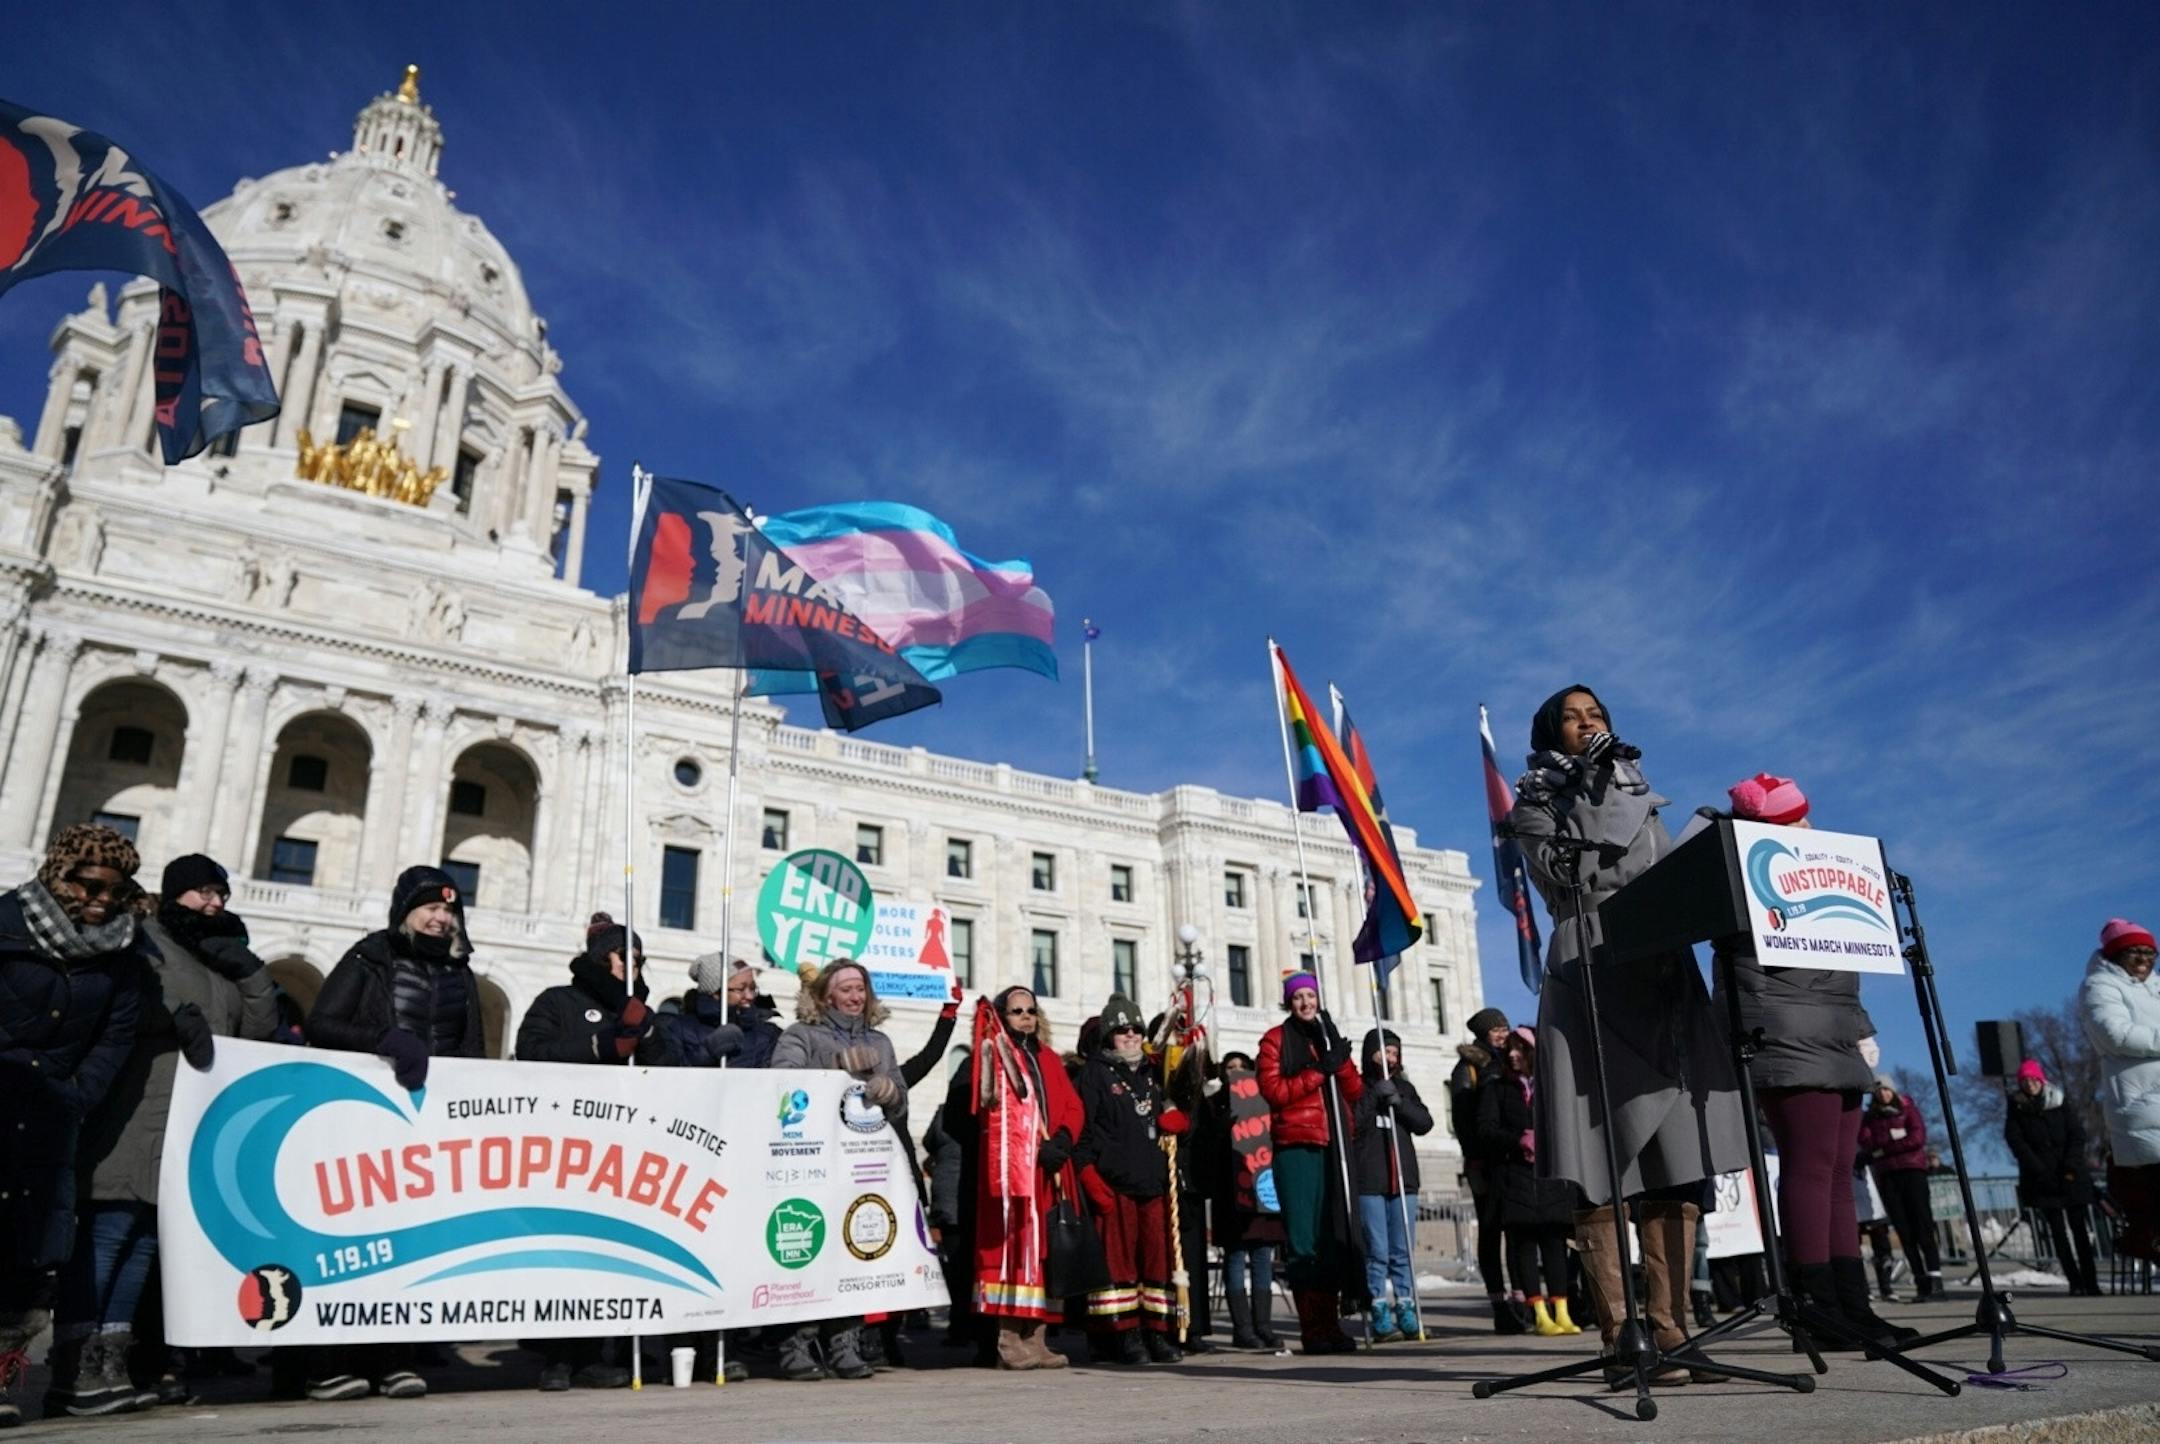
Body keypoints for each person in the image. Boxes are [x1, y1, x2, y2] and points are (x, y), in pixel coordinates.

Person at [1506, 686, 1749, 1384]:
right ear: (1551, 734)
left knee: (1677, 1156)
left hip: (1660, 971)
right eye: (1573, 718)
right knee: (1599, 1158)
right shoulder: (1536, 802)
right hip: (1591, 968)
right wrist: (1594, 785)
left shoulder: (1639, 790)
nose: (1589, 724)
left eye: (1597, 715)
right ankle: (1621, 1336)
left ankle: (1672, 1328)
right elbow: (1574, 869)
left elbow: (1662, 872)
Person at [53, 854, 277, 1416]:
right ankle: (73, 1369)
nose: (215, 903)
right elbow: (116, 999)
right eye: (204, 892)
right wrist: (171, 1014)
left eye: (221, 894)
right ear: (175, 893)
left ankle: (111, 1364)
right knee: (108, 1233)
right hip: (133, 1110)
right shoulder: (142, 938)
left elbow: (257, 1033)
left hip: (188, 1122)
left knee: (145, 1244)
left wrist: (252, 975)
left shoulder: (218, 958)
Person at [1694, 774, 1911, 1347]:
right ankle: (1817, 1304)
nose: (1809, 826)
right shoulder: (1744, 872)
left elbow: (1841, 965)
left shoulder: (1820, 872)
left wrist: (1861, 1026)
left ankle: (1852, 1305)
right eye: (1795, 819)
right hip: (1788, 1033)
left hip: (1835, 1031)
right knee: (1811, 1167)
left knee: (1838, 1172)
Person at [302, 865, 486, 1401]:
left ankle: (393, 1358)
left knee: (412, 1241)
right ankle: (326, 1363)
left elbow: (472, 1050)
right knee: (353, 1240)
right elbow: (322, 1023)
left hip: (428, 1125)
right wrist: (384, 1039)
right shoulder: (370, 957)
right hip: (363, 1121)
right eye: (430, 908)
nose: (441, 919)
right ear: (406, 911)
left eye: (449, 910)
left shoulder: (461, 973)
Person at [0, 825, 147, 1428]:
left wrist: (74, 1095)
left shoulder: (125, 954)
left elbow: (115, 1036)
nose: (103, 900)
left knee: (27, 1254)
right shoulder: (7, 924)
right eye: (90, 885)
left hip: (50, 1118)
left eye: (117, 891)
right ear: (59, 876)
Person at [512, 914, 662, 1389]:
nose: (633, 967)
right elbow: (530, 1053)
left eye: (639, 960)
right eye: (625, 958)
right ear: (602, 959)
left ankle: (596, 1352)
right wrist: (602, 1045)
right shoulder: (558, 1001)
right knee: (566, 1250)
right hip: (566, 1145)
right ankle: (558, 1356)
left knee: (609, 1250)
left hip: (623, 1150)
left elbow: (670, 1072)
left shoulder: (641, 1010)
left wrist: (648, 1037)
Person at [769, 959, 905, 1381]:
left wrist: (889, 1091)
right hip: (810, 1160)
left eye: (861, 989)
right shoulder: (801, 1034)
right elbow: (781, 1082)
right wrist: (834, 1070)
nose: (855, 996)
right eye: (846, 989)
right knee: (807, 1250)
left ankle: (844, 1341)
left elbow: (900, 1100)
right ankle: (796, 1342)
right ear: (826, 995)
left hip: (863, 1164)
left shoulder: (880, 1042)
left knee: (854, 1251)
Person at [951, 987, 1082, 1369]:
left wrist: (1063, 1138)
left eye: (1031, 1010)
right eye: (1016, 1011)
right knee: (1012, 1250)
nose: (1026, 1017)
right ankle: (1008, 1338)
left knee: (1043, 1254)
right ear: (1003, 1017)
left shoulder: (1049, 1058)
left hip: (1049, 1169)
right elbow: (986, 1108)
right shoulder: (995, 1057)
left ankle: (1037, 1337)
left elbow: (1072, 1105)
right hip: (1015, 1171)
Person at [1074, 993, 1185, 1364]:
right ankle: (1124, 1335)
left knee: (1155, 1262)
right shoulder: (1094, 1074)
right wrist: (1088, 1174)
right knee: (1118, 1265)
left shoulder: (1151, 1074)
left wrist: (1174, 1117)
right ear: (1110, 1036)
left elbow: (1167, 1108)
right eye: (1123, 1031)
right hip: (1114, 1184)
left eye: (1136, 1029)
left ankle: (1157, 1331)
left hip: (1151, 1183)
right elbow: (1082, 1132)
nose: (1131, 1035)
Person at [1256, 971, 1363, 1355]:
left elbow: (1354, 1090)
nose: (1305, 1003)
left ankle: (1331, 1324)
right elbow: (1274, 1091)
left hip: (1333, 1144)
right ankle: (1313, 1327)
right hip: (1297, 1145)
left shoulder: (1326, 1037)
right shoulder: (1275, 1040)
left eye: (1310, 996)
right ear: (1289, 1002)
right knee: (1304, 1241)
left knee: (1330, 1238)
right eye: (1298, 997)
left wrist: (1339, 1059)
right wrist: (1319, 1071)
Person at [1478, 1027, 1579, 1337]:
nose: (1512, 1054)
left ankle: (1562, 1310)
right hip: (1515, 1177)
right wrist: (1517, 1140)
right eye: (1509, 1049)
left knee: (1554, 1243)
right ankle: (1539, 1314)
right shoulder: (1497, 1089)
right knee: (1524, 1244)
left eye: (1519, 1048)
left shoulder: (1550, 1086)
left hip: (1549, 1175)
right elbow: (1485, 1130)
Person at [2079, 918, 2160, 1263]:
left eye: (2150, 953)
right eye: (2134, 953)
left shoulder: (2156, 987)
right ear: (2115, 956)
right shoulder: (2099, 986)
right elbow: (2114, 1034)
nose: (2143, 960)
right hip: (2142, 1107)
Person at [1352, 1027, 1432, 1343]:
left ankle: (1406, 1305)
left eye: (1395, 1052)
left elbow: (1424, 1123)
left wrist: (1400, 1103)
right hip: (1371, 1180)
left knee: (1402, 1251)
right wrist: (1374, 1096)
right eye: (1384, 1051)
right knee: (1378, 1251)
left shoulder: (1405, 1088)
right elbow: (1353, 1123)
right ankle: (1378, 1307)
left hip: (1403, 1179)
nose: (1390, 1057)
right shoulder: (1359, 1087)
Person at [1450, 1006, 1524, 1333]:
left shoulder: (1510, 1061)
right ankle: (1499, 1303)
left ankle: (1522, 1299)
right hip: (1484, 1161)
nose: (1502, 1034)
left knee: (1518, 1229)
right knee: (1491, 1231)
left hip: (1511, 1159)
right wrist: (1474, 1157)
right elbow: (1463, 1119)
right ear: (1483, 1034)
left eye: (1504, 1027)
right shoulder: (1469, 1067)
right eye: (1496, 1029)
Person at [1208, 1050, 1286, 1351]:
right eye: (1231, 1067)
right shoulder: (1214, 1104)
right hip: (1230, 1195)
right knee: (1236, 1258)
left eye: (1242, 1066)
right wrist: (1221, 1128)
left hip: (1260, 1191)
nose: (1237, 1071)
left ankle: (1263, 1325)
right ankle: (1242, 1328)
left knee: (1263, 1256)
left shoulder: (1263, 1101)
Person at [2002, 1058, 2100, 1295]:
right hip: (2041, 1178)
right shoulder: (2016, 1106)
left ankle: (2091, 1282)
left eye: (2033, 1080)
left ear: (2041, 1080)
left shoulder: (2059, 1101)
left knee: (2080, 1230)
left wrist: (2071, 1165)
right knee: (2057, 1233)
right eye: (2025, 1081)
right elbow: (2015, 1139)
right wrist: (2037, 1168)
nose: (2030, 1084)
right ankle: (2075, 1282)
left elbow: (2077, 1134)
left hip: (2070, 1174)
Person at [1858, 1076, 1942, 1301]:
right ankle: (1921, 1281)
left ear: (1893, 1091)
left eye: (1886, 1089)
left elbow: (1916, 1138)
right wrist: (1894, 1141)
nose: (1883, 1094)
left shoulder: (1908, 1110)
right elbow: (1867, 1143)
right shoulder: (1870, 1118)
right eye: (1878, 1091)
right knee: (1904, 1231)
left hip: (1913, 1172)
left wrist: (1884, 1149)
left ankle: (1936, 1280)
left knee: (1923, 1226)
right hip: (1888, 1177)